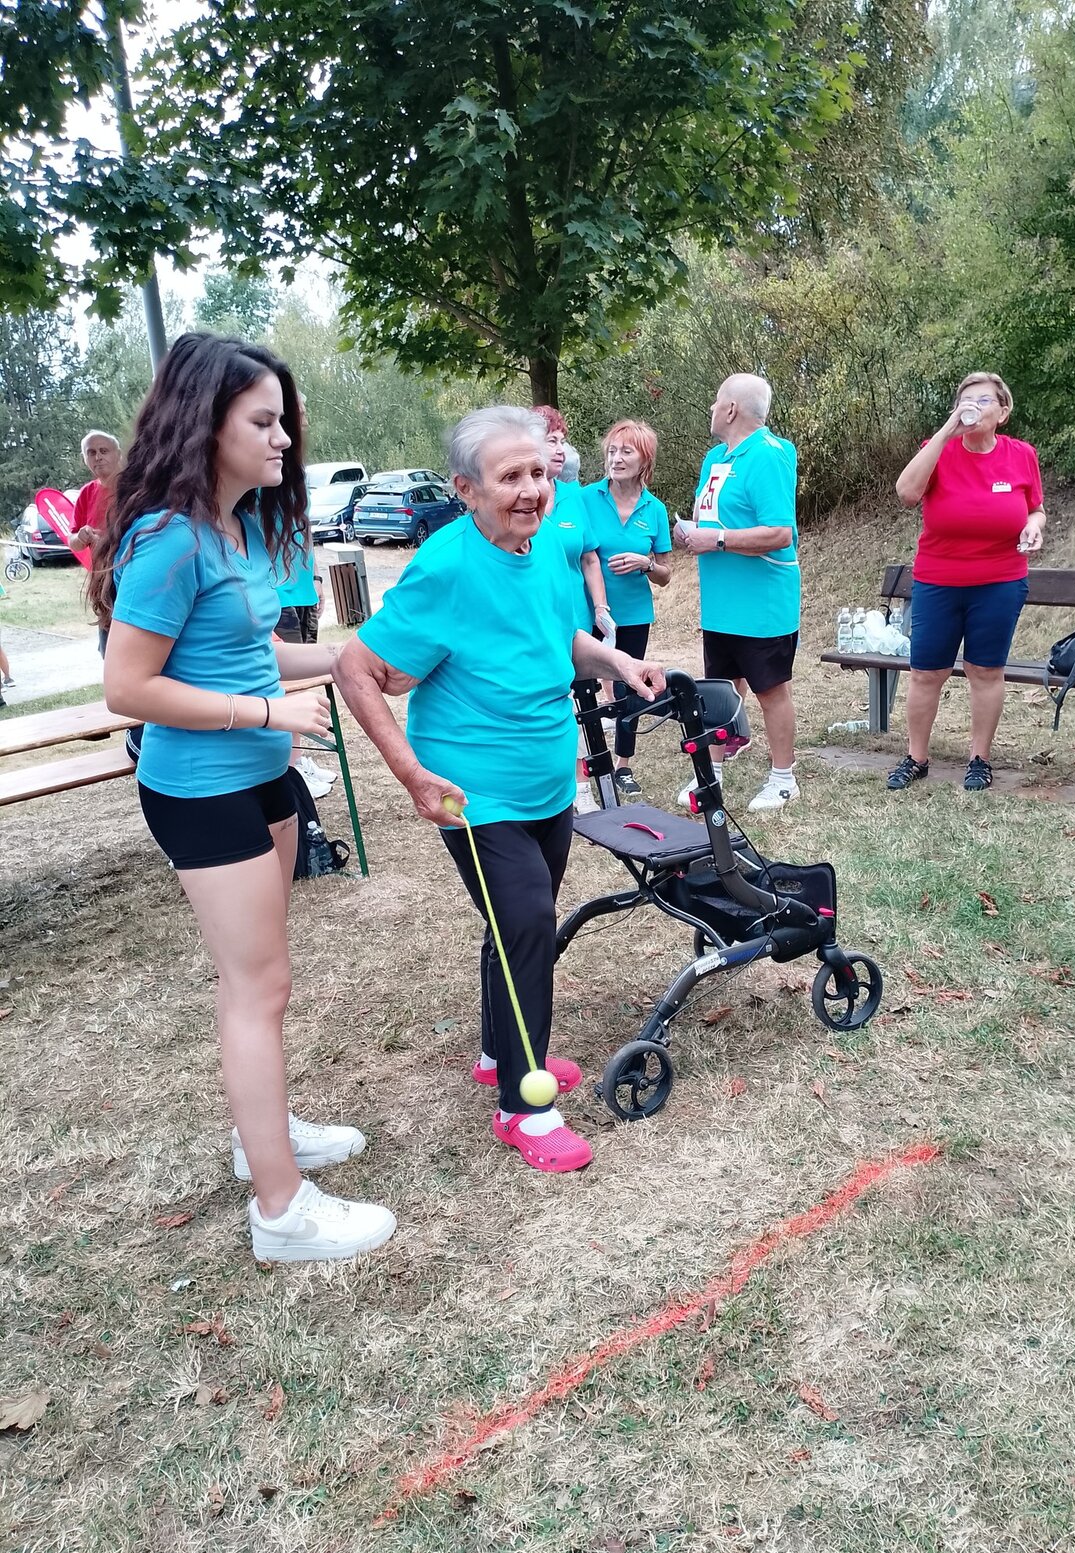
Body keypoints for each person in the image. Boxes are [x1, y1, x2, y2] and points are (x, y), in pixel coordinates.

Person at [89, 331, 395, 1262]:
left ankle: (260, 1134)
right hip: (201, 789)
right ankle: (282, 1211)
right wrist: (265, 712)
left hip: (263, 775)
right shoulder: (168, 539)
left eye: (284, 423)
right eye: (264, 422)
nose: (284, 441)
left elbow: (246, 650)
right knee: (258, 989)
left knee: (256, 979)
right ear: (205, 422)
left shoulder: (235, 525)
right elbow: (127, 687)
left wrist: (350, 660)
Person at [334, 405, 665, 1173]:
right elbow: (357, 667)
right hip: (473, 788)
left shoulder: (545, 546)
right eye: (509, 476)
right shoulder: (446, 566)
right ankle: (524, 1105)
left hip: (547, 781)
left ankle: (498, 1052)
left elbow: (559, 638)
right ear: (466, 489)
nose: (531, 489)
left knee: (517, 923)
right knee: (527, 925)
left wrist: (619, 663)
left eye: (539, 473)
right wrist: (411, 773)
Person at [888, 373, 1046, 793]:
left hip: (1000, 582)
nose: (973, 406)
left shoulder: (1021, 455)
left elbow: (1035, 507)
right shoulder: (938, 448)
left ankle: (979, 759)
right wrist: (946, 432)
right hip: (938, 581)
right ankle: (916, 757)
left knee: (985, 670)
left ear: (1003, 412)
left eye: (983, 400)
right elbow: (906, 493)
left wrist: (1034, 525)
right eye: (965, 399)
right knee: (927, 673)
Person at [673, 374, 799, 812]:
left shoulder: (768, 454)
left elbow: (780, 532)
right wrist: (690, 533)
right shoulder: (714, 458)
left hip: (762, 603)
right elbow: (710, 519)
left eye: (716, 401)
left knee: (770, 690)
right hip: (720, 603)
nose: (711, 409)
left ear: (730, 409)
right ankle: (711, 774)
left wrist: (717, 540)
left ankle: (783, 779)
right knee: (720, 689)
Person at [580, 420, 671, 797]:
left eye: (626, 452)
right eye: (612, 451)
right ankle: (585, 767)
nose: (616, 459)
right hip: (587, 612)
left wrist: (645, 563)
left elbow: (665, 574)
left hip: (633, 614)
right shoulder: (585, 499)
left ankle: (622, 766)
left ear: (644, 461)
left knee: (629, 687)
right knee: (581, 688)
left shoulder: (655, 509)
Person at [531, 405, 613, 812]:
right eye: (551, 441)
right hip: (534, 624)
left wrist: (601, 607)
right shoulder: (518, 502)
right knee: (549, 704)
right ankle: (555, 785)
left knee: (581, 704)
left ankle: (582, 787)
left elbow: (590, 558)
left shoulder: (573, 497)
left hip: (575, 622)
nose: (561, 450)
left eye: (563, 441)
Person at [272, 392, 336, 799]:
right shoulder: (263, 478)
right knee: (286, 685)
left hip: (301, 591)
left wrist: (315, 577)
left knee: (305, 678)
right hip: (275, 596)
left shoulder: (295, 471)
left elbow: (304, 530)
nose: (304, 419)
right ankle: (293, 767)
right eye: (298, 412)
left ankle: (299, 761)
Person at [70, 430, 124, 655]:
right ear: (85, 459)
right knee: (108, 650)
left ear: (118, 454)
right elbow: (73, 542)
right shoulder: (86, 493)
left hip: (132, 577)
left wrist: (110, 538)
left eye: (104, 451)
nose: (98, 457)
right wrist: (81, 536)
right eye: (91, 453)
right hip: (102, 582)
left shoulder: (135, 488)